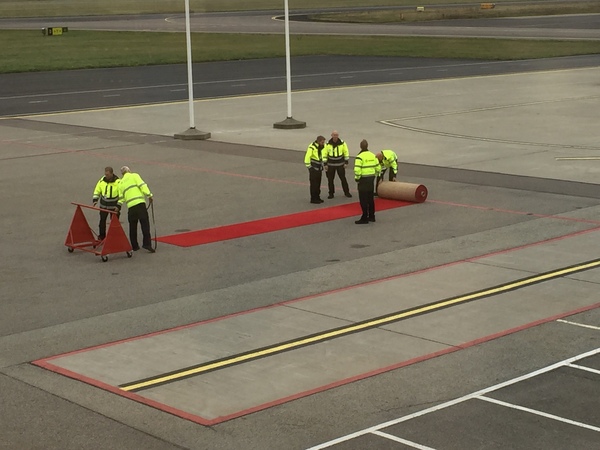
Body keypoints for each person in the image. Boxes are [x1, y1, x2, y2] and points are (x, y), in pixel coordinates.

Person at [119, 166, 154, 252]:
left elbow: (121, 198)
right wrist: (149, 195)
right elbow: (142, 185)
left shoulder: (120, 183)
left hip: (130, 207)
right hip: (139, 204)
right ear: (129, 171)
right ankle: (147, 244)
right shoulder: (134, 176)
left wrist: (118, 207)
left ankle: (134, 246)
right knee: (145, 224)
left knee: (132, 227)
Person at [354, 139, 380, 224]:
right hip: (371, 179)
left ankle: (364, 217)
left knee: (363, 199)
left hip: (363, 180)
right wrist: (374, 175)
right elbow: (378, 168)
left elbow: (357, 170)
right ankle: (372, 216)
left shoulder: (359, 157)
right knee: (370, 199)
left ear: (360, 146)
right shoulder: (373, 155)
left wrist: (357, 178)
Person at [92, 166, 121, 241]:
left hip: (114, 207)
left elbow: (121, 195)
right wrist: (95, 199)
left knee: (115, 224)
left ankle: (114, 238)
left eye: (107, 174)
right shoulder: (102, 181)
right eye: (105, 174)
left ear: (112, 173)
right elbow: (97, 190)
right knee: (102, 222)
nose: (106, 176)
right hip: (103, 206)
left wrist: (118, 206)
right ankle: (102, 236)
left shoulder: (118, 182)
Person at [323, 130, 352, 199]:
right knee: (330, 180)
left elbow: (346, 152)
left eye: (336, 135)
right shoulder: (327, 144)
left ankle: (347, 192)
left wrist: (346, 162)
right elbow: (324, 154)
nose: (335, 136)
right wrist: (325, 164)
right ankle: (331, 193)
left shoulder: (342, 143)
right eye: (334, 135)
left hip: (340, 164)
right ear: (331, 135)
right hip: (331, 165)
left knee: (343, 179)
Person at [304, 135, 326, 204]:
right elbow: (307, 158)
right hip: (313, 168)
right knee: (314, 184)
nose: (323, 143)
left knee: (318, 183)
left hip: (319, 167)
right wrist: (309, 167)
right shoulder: (312, 147)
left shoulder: (322, 147)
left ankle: (317, 197)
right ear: (319, 141)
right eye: (322, 142)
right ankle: (313, 198)